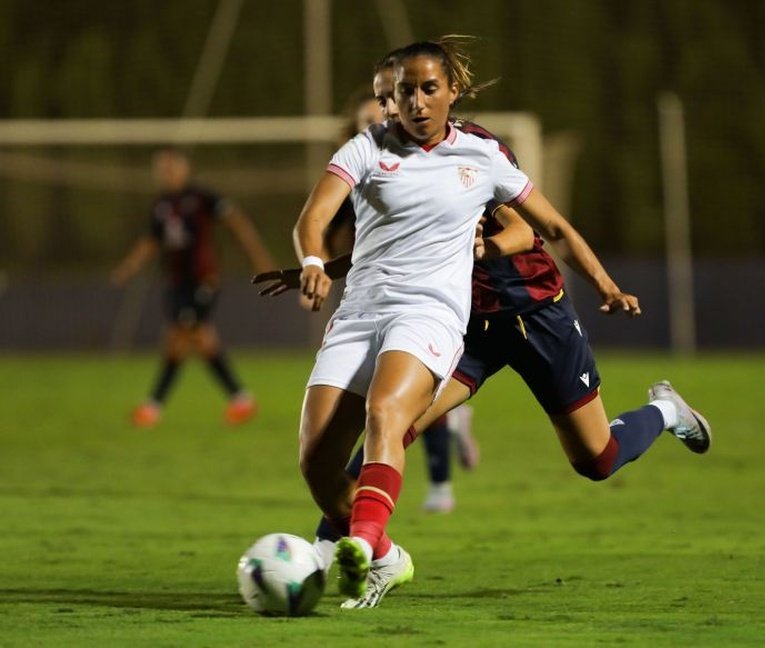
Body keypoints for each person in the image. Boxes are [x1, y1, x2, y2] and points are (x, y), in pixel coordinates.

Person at [282, 38, 711, 609]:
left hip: (533, 314)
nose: (400, 107)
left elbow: (530, 232)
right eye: (392, 98)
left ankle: (665, 411)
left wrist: (590, 280)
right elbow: (394, 243)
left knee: (598, 459)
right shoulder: (374, 154)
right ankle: (345, 547)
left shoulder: (478, 154)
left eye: (417, 91)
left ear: (448, 92)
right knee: (392, 423)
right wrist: (321, 266)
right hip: (465, 329)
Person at [323, 88, 481, 514]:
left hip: (425, 302)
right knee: (370, 414)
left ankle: (439, 485)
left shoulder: (432, 171)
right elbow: (329, 233)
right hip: (368, 300)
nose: (373, 128)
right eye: (362, 124)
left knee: (397, 404)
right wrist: (315, 268)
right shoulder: (354, 171)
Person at [111, 148, 276, 427]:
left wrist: (259, 258)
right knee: (192, 340)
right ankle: (241, 399)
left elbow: (237, 222)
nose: (168, 173)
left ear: (185, 169)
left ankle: (153, 407)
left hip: (203, 279)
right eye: (163, 169)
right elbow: (151, 241)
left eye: (173, 167)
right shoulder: (161, 204)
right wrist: (129, 267)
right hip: (176, 281)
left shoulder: (202, 197)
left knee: (183, 334)